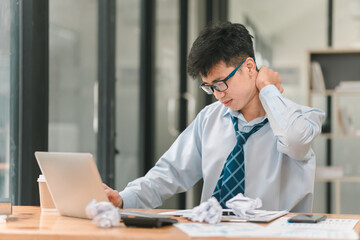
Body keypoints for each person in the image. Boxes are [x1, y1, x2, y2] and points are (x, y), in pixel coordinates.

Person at [104, 22, 325, 212]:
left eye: (221, 83)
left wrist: (267, 88)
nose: (218, 94)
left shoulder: (301, 118)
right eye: (210, 87)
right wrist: (124, 198)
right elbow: (169, 172)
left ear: (249, 67)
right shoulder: (210, 119)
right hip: (213, 231)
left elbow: (295, 141)